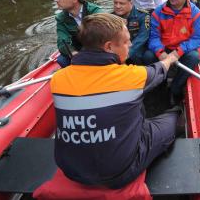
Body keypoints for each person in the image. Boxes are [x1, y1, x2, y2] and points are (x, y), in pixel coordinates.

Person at [50, 13, 180, 190]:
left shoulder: (58, 79)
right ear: (109, 47)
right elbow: (159, 70)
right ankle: (179, 113)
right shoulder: (132, 77)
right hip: (118, 173)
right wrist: (171, 59)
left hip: (72, 171)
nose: (131, 45)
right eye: (127, 42)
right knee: (173, 119)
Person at [146, 0, 200, 104]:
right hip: (164, 47)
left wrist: (179, 51)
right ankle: (159, 84)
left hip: (183, 49)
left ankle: (175, 89)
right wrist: (160, 52)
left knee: (193, 57)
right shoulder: (158, 12)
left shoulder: (196, 14)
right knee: (147, 56)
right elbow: (154, 37)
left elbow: (198, 39)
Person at [54, 0, 102, 67]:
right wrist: (73, 53)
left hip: (97, 50)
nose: (56, 0)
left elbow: (102, 38)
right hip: (79, 51)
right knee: (62, 60)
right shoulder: (61, 18)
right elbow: (62, 41)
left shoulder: (95, 12)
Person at [112, 0, 151, 65]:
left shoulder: (143, 16)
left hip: (138, 48)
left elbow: (142, 38)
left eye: (121, 3)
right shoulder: (111, 17)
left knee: (137, 55)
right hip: (120, 48)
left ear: (131, 3)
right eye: (115, 3)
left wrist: (126, 53)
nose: (118, 6)